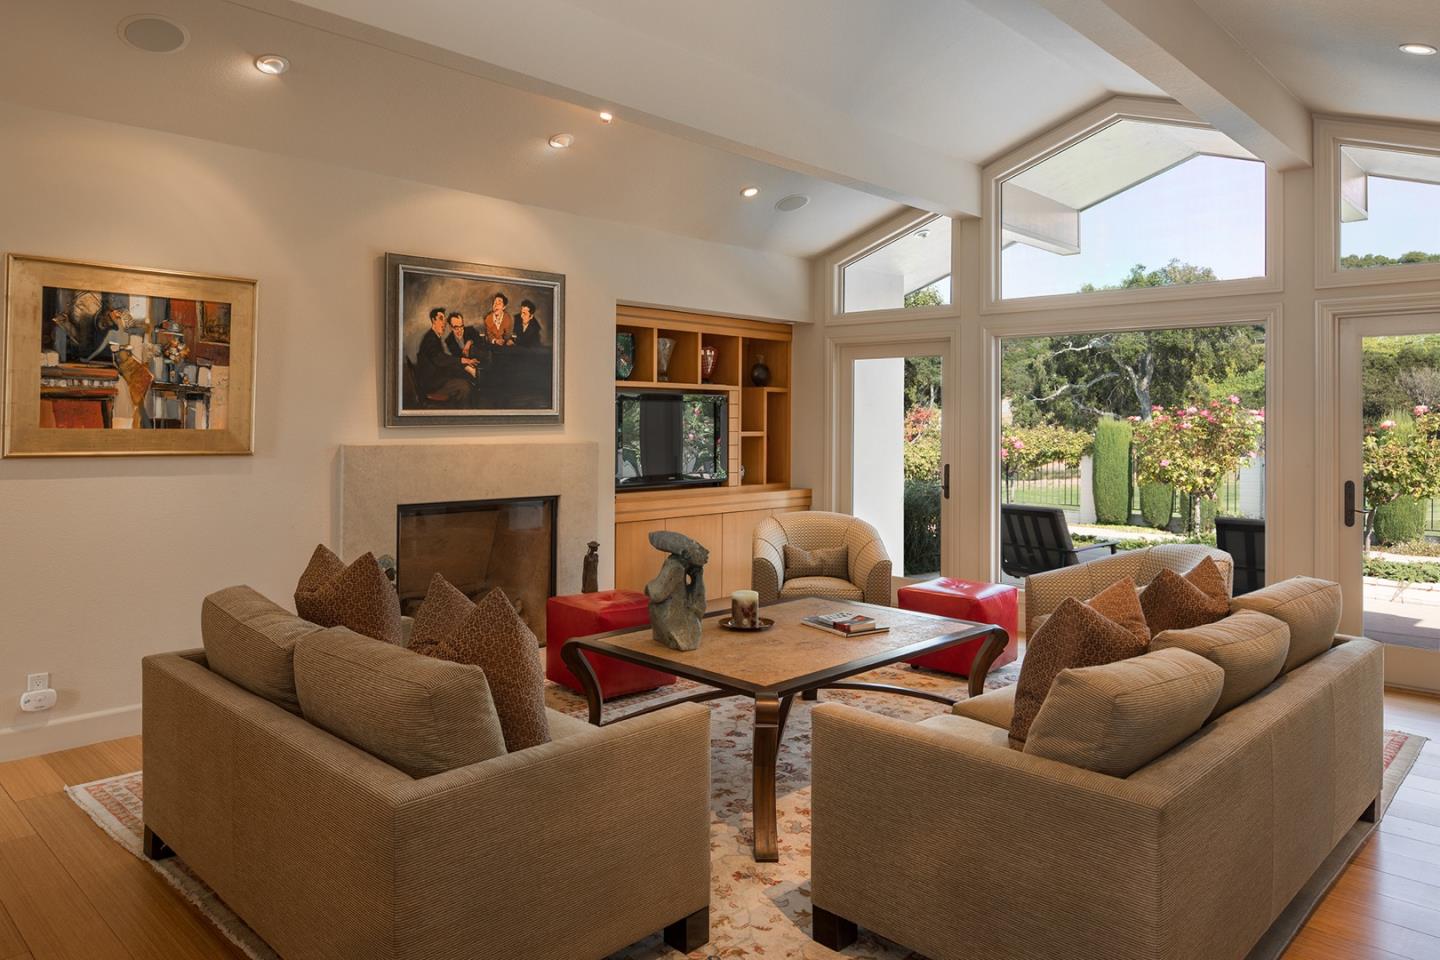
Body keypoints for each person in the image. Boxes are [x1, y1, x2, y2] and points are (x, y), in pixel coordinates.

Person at [415, 306, 474, 404]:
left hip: (434, 379)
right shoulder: (430, 339)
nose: (444, 323)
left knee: (461, 376)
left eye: (445, 320)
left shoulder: (433, 337)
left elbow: (441, 360)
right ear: (433, 320)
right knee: (464, 386)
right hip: (432, 385)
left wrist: (461, 365)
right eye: (441, 319)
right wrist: (463, 361)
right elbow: (440, 359)